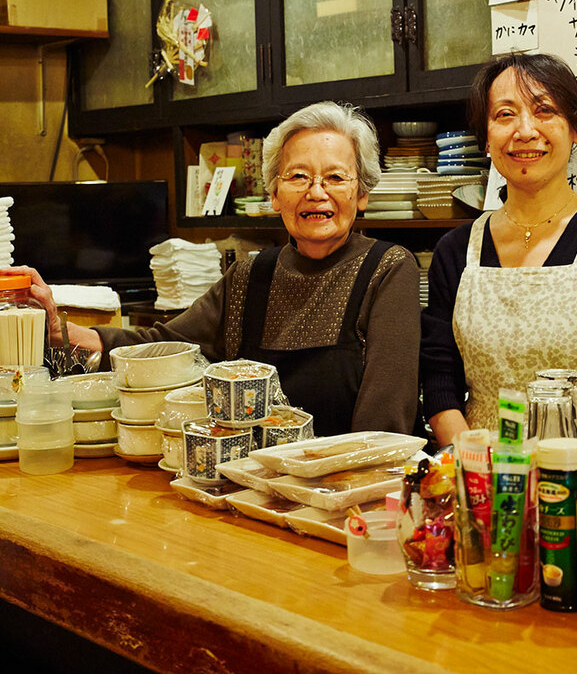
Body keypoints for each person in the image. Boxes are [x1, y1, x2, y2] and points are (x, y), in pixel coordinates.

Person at [5, 102, 421, 437]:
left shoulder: (387, 268)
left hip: (341, 498)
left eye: (335, 177)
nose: (316, 192)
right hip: (244, 491)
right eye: (297, 176)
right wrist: (59, 329)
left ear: (362, 193)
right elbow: (162, 345)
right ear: (274, 194)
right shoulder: (250, 274)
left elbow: (384, 424)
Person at [420, 53, 577, 446]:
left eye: (545, 110)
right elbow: (438, 377)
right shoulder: (457, 250)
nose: (525, 130)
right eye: (505, 115)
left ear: (576, 129)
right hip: (479, 474)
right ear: (486, 139)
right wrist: (474, 469)